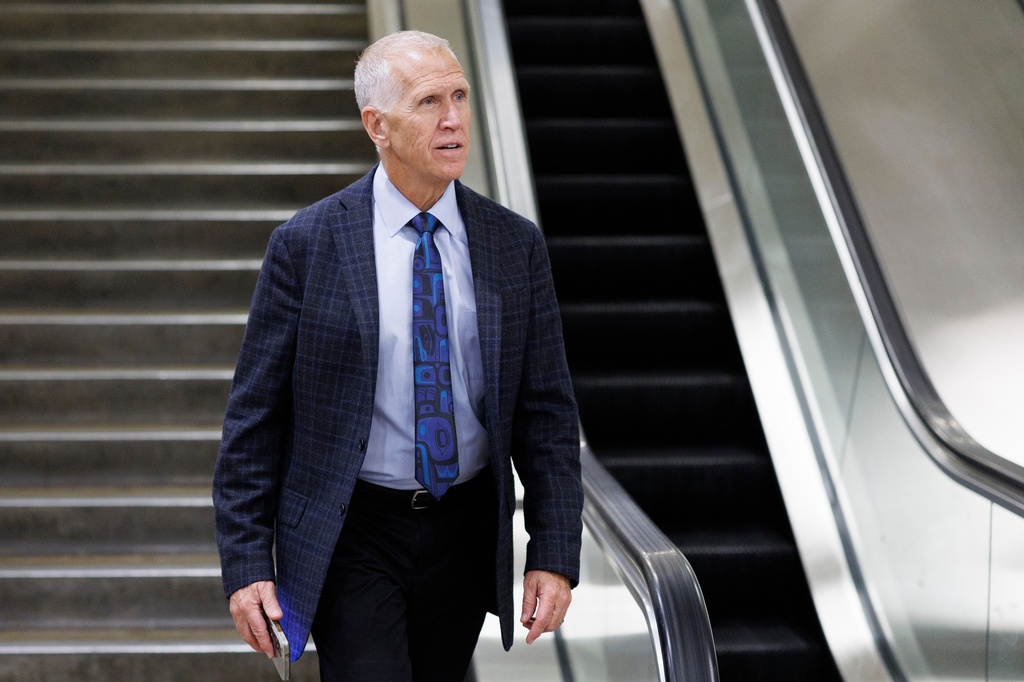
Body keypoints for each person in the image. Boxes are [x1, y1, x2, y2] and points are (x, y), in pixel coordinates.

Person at [212, 29, 583, 681]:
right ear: (376, 125)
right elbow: (254, 419)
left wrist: (552, 551)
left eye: (461, 96)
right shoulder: (307, 245)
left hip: (465, 532)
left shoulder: (513, 246)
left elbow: (547, 416)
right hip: (355, 530)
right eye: (429, 102)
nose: (454, 119)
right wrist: (247, 567)